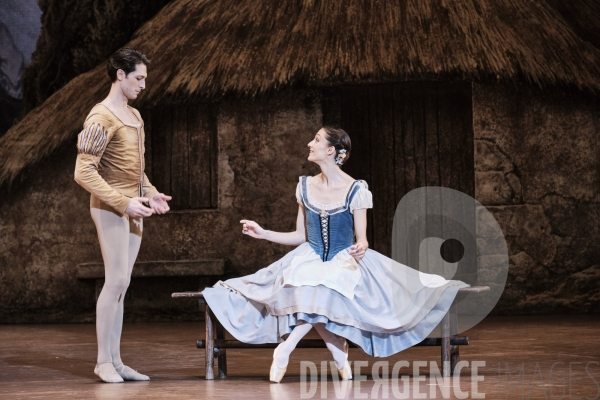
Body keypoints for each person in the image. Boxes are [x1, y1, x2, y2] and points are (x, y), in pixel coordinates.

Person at [202, 126, 469, 383]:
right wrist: (264, 233)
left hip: (344, 259)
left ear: (331, 150)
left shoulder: (356, 189)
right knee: (308, 285)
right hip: (310, 256)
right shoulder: (305, 186)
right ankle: (338, 352)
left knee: (324, 287)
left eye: (316, 140)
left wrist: (361, 246)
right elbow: (300, 236)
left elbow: (361, 238)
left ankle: (287, 347)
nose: (310, 143)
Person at [74, 48, 172, 383]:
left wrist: (150, 193)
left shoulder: (135, 116)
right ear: (120, 75)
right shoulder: (100, 117)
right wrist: (123, 202)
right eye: (139, 78)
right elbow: (84, 172)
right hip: (111, 207)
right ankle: (102, 361)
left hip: (134, 206)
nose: (144, 84)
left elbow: (138, 173)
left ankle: (116, 361)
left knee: (123, 283)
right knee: (114, 280)